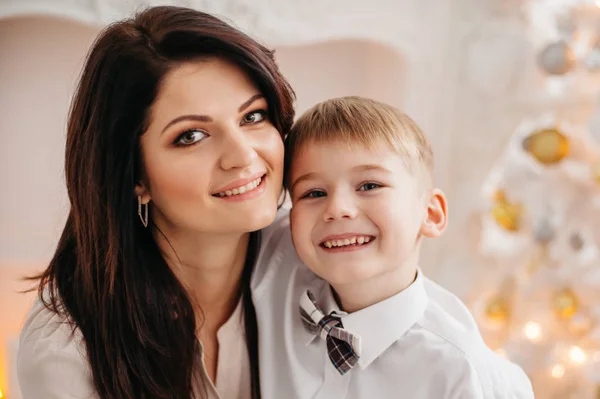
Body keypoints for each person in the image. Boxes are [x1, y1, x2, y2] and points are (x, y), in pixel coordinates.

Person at [17, 6, 294, 399]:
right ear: (135, 177)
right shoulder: (66, 348)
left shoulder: (312, 256)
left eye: (253, 116)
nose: (243, 156)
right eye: (191, 136)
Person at [256, 96, 534, 398]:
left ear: (430, 214)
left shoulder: (464, 374)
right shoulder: (274, 272)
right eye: (314, 192)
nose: (337, 209)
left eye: (369, 186)